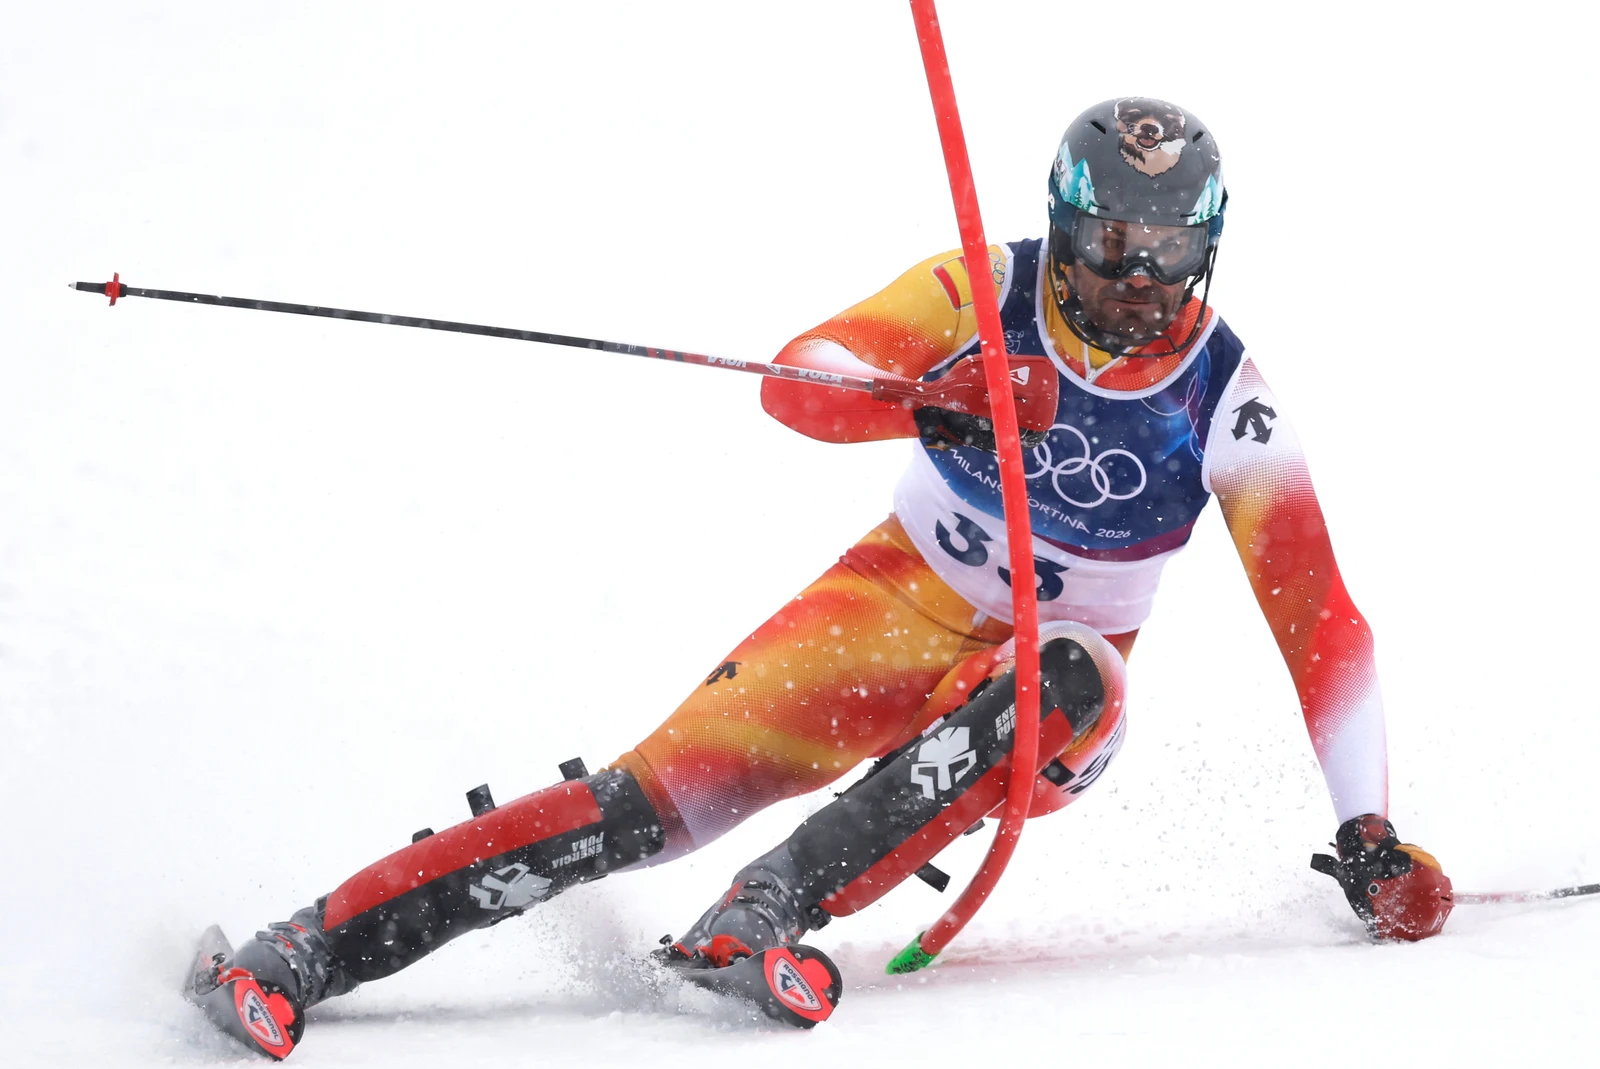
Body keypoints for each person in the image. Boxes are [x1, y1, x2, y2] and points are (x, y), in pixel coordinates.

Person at [186, 97, 1453, 1057]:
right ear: (1068, 226)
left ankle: (766, 910)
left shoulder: (1226, 402)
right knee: (646, 802)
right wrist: (932, 396)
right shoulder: (986, 286)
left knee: (1071, 678)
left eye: (1169, 252)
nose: (1138, 280)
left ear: (1210, 251)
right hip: (888, 605)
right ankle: (305, 946)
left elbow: (1322, 622)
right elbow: (798, 379)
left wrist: (1365, 830)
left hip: (1043, 692)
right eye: (1115, 242)